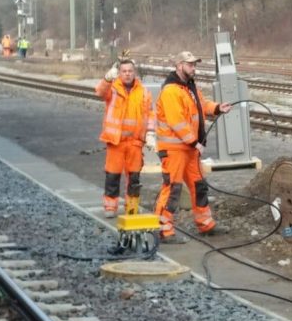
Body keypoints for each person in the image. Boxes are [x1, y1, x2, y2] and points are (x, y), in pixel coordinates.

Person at [154, 50, 232, 244]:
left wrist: (216, 108)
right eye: (190, 64)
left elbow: (201, 105)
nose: (194, 68)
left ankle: (206, 224)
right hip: (174, 150)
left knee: (199, 186)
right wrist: (193, 141)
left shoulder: (189, 87)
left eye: (194, 64)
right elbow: (176, 121)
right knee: (172, 188)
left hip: (189, 150)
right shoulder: (171, 90)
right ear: (179, 65)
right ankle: (164, 230)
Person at [96, 58, 154, 218]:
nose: (127, 74)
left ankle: (132, 207)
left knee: (134, 178)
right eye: (124, 71)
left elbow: (150, 114)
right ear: (119, 73)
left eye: (130, 71)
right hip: (116, 142)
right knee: (112, 176)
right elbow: (100, 92)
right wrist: (107, 78)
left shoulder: (143, 92)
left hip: (135, 143)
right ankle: (110, 207)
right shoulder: (113, 89)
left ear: (134, 72)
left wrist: (150, 133)